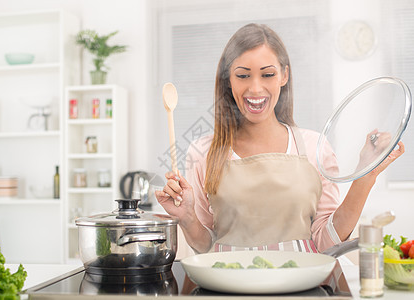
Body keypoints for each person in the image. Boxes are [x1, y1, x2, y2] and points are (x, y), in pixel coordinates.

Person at [155, 23, 404, 254]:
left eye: (267, 74)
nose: (255, 88)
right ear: (228, 80)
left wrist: (366, 174)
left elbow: (325, 242)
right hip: (228, 286)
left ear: (284, 75)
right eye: (243, 75)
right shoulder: (203, 151)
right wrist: (187, 217)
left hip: (300, 286)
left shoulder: (314, 147)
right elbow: (205, 247)